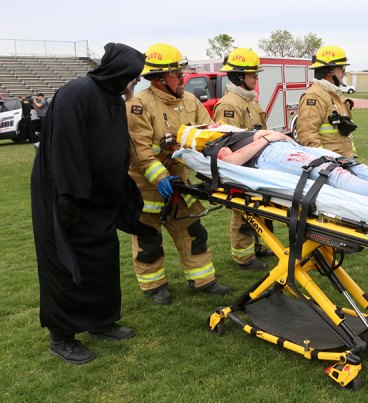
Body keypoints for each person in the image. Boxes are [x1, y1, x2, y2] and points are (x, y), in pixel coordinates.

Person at [31, 43, 153, 365]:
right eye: (134, 77)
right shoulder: (76, 93)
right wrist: (69, 200)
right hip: (67, 195)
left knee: (102, 259)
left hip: (98, 199)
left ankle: (101, 321)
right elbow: (65, 150)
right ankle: (62, 336)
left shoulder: (111, 97)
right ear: (121, 72)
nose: (135, 83)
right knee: (64, 264)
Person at [126, 43, 231, 305]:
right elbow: (140, 152)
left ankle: (203, 280)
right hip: (148, 187)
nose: (183, 77)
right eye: (177, 73)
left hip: (179, 184)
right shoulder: (138, 106)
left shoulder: (190, 101)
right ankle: (154, 286)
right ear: (160, 80)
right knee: (149, 240)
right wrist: (160, 177)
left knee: (194, 231)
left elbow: (209, 133)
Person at [210, 130, 368, 211]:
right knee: (334, 174)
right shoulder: (209, 141)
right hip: (270, 155)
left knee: (352, 165)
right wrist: (267, 139)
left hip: (283, 146)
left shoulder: (227, 129)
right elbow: (230, 162)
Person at [213, 48, 271, 271]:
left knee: (259, 207)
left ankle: (259, 246)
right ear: (240, 77)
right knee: (243, 212)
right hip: (241, 167)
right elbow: (226, 142)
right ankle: (243, 257)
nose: (256, 78)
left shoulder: (250, 100)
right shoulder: (230, 105)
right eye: (253, 75)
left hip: (255, 164)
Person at [296, 45, 358, 157]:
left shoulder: (335, 94)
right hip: (330, 165)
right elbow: (307, 133)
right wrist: (324, 161)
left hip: (343, 160)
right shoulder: (314, 96)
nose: (343, 73)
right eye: (341, 69)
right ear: (330, 72)